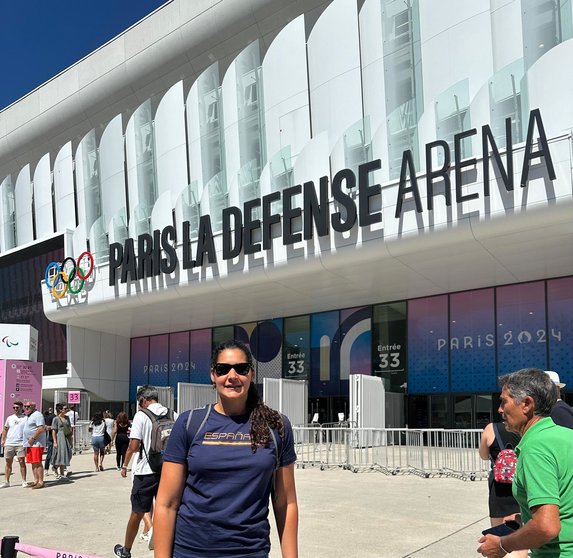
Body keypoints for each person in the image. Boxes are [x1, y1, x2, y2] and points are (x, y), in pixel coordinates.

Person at [153, 340, 299, 558]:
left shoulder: (276, 426)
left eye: (241, 368)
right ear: (213, 375)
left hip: (250, 552)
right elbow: (166, 504)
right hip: (191, 552)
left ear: (251, 373)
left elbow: (285, 503)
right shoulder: (189, 423)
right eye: (223, 369)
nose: (232, 376)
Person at [477, 368, 573, 558]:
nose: (500, 409)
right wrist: (525, 517)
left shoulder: (535, 448)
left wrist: (503, 545)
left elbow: (547, 526)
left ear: (527, 404)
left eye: (504, 401)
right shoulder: (566, 436)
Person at [114, 385, 173, 558]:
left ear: (144, 400)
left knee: (138, 511)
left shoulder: (141, 415)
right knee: (167, 509)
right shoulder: (171, 413)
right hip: (167, 469)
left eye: (140, 402)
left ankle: (126, 550)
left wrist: (125, 465)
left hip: (145, 471)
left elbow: (134, 445)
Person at [479, 422, 527, 558]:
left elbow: (483, 455)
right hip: (520, 485)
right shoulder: (523, 428)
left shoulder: (490, 428)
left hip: (498, 489)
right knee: (520, 538)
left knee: (498, 535)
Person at [1, 400, 28, 488]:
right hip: (9, 443)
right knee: (8, 462)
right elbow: (5, 429)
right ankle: (6, 482)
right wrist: (3, 440)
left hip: (20, 443)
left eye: (17, 407)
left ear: (21, 408)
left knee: (21, 462)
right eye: (14, 407)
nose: (15, 409)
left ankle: (24, 481)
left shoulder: (25, 418)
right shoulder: (10, 418)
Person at [21, 400, 46, 489]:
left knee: (38, 462)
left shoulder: (37, 415)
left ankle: (41, 481)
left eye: (28, 406)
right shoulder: (29, 415)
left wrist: (33, 438)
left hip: (36, 443)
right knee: (33, 462)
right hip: (29, 444)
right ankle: (35, 480)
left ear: (33, 407)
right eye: (25, 406)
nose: (26, 408)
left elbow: (41, 428)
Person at [51, 403, 73, 480]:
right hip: (59, 438)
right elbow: (54, 430)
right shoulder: (56, 419)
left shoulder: (67, 418)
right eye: (65, 408)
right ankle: (61, 473)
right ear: (60, 410)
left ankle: (55, 467)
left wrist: (71, 438)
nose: (66, 409)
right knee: (61, 455)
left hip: (66, 437)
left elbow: (70, 428)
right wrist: (55, 441)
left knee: (68, 454)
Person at [43, 407, 56, 475]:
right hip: (51, 438)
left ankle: (54, 468)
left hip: (57, 438)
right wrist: (53, 427)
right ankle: (46, 468)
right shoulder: (50, 417)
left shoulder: (55, 416)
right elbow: (47, 427)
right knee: (50, 454)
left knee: (56, 455)